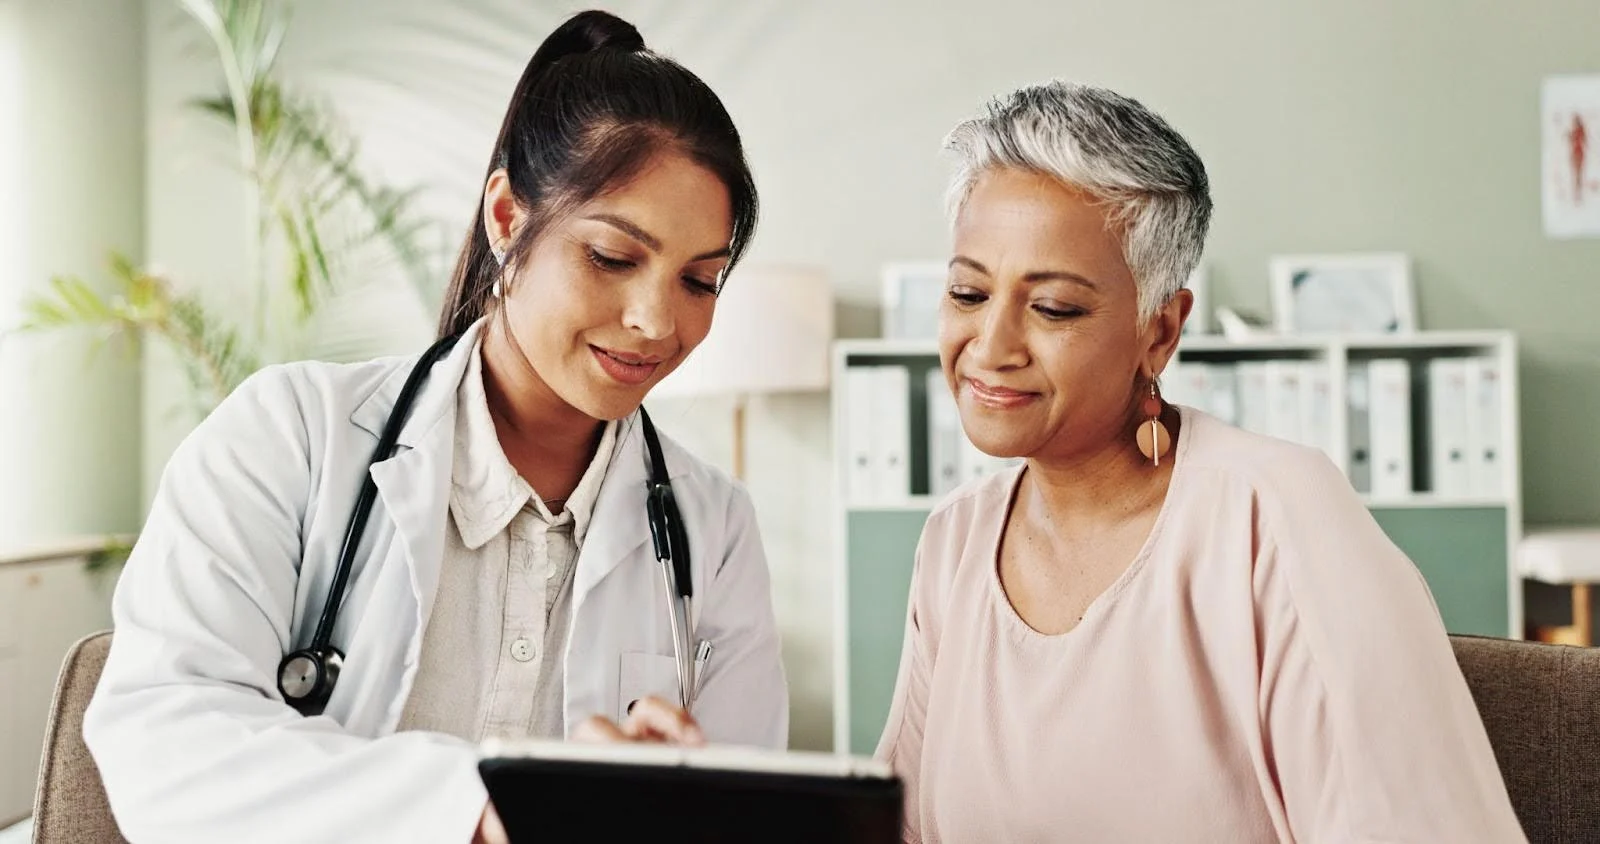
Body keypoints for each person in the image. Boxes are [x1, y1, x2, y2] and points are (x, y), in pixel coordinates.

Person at [83, 11, 788, 843]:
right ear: (506, 219)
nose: (653, 320)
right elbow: (166, 743)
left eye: (699, 281)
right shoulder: (289, 436)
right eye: (611, 257)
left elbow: (747, 814)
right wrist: (487, 806)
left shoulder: (713, 529)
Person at [876, 81, 1525, 842]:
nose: (990, 345)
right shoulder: (954, 541)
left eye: (1052, 307)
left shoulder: (1276, 517)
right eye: (966, 292)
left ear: (1160, 332)